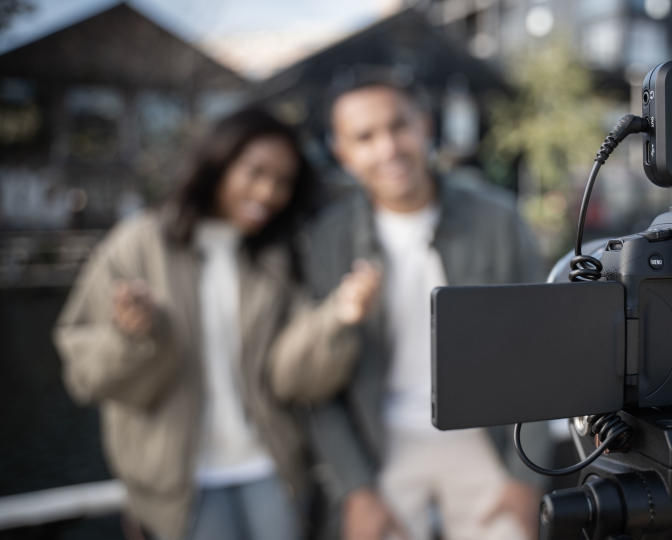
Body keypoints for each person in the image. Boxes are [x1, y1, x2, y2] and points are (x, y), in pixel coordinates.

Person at [53, 107, 380, 540]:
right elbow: (85, 376)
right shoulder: (137, 244)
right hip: (176, 481)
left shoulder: (277, 258)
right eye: (255, 172)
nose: (268, 192)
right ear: (218, 162)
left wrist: (339, 316)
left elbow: (289, 377)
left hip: (272, 467)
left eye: (283, 181)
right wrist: (135, 336)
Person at [302, 73, 553, 540]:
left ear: (424, 125)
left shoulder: (497, 219)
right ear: (342, 152)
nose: (388, 148)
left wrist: (526, 478)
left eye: (399, 126)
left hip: (486, 437)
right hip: (383, 441)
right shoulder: (328, 240)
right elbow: (318, 383)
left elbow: (539, 351)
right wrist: (355, 489)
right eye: (364, 136)